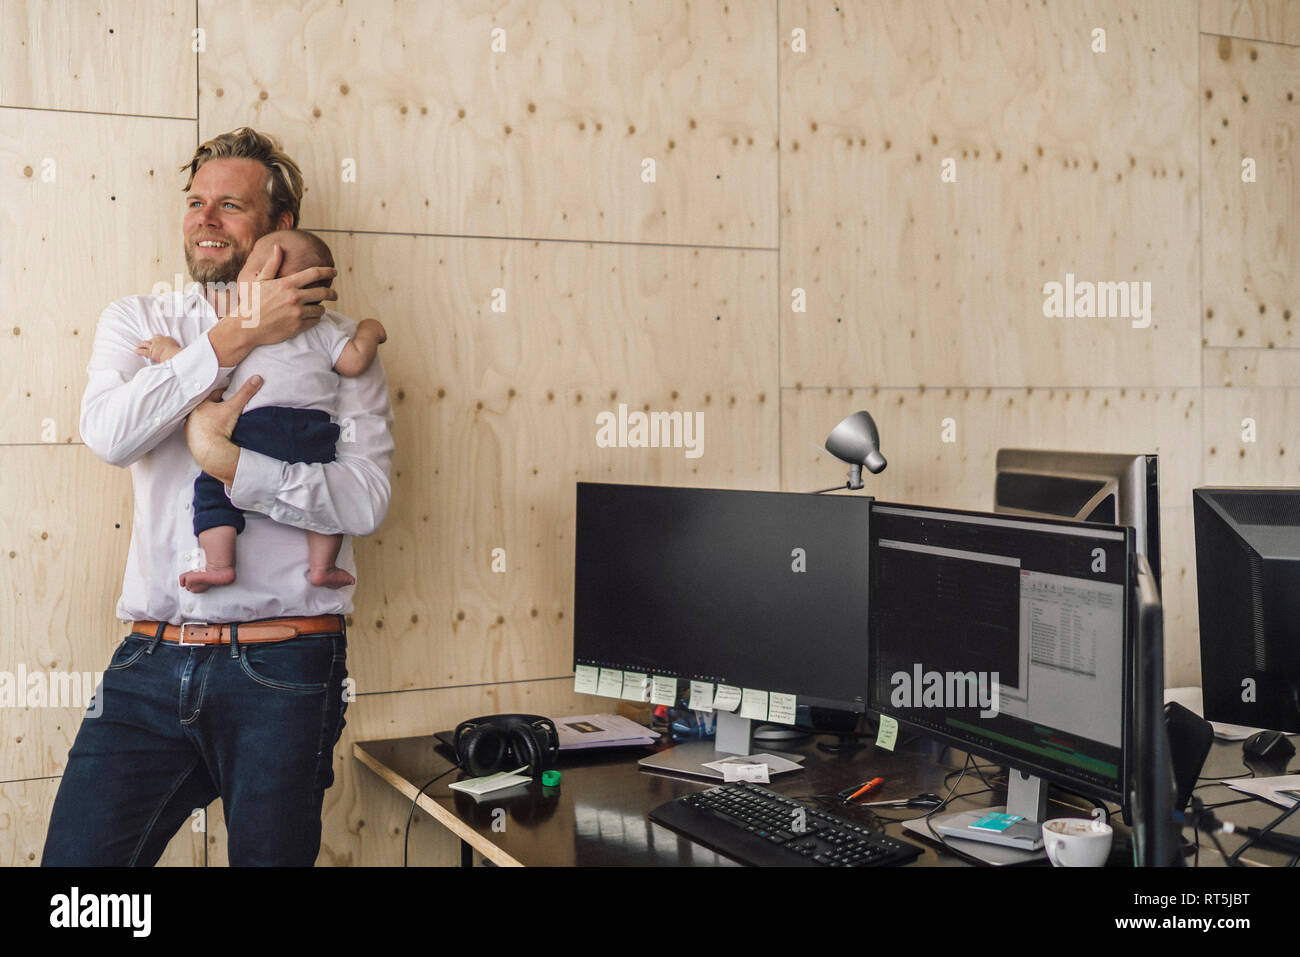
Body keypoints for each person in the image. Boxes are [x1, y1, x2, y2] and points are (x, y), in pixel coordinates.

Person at [41, 127, 394, 866]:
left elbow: (364, 501)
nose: (204, 218)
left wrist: (229, 462)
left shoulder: (338, 348)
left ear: (280, 226)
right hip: (148, 661)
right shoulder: (141, 323)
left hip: (287, 667)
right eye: (195, 202)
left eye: (230, 205)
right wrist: (231, 339)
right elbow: (110, 434)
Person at [136, 228, 388, 592]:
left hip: (253, 429)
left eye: (250, 266)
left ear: (261, 274)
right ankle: (323, 566)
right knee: (324, 497)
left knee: (211, 490)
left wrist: (165, 352)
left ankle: (220, 564)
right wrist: (368, 329)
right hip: (313, 431)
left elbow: (207, 377)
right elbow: (355, 362)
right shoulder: (327, 330)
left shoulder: (239, 327)